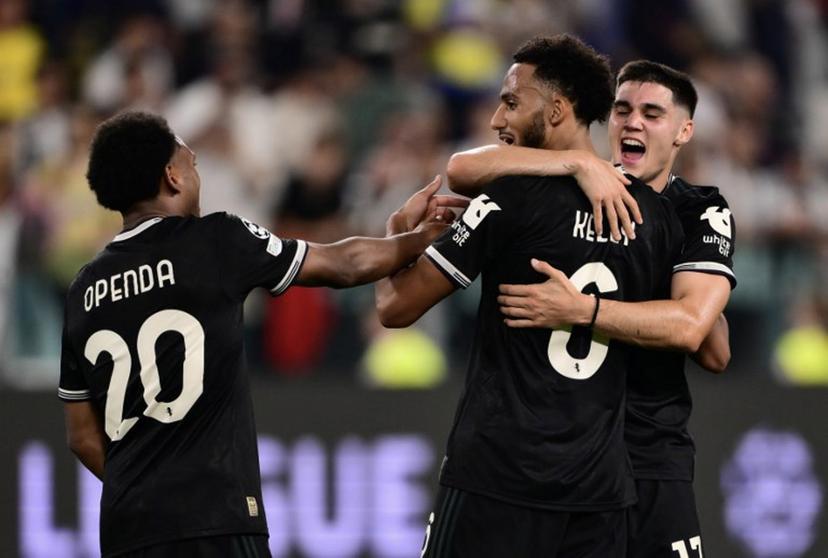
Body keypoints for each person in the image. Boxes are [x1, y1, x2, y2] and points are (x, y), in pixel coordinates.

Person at [58, 110, 464, 558]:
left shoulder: (84, 289)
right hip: (215, 519)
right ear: (172, 176)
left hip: (127, 529)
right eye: (192, 164)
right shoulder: (215, 240)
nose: (197, 173)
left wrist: (142, 490)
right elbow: (344, 264)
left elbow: (81, 436)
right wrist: (420, 237)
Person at [375, 35, 684, 557]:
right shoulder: (651, 218)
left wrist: (397, 233)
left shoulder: (508, 198)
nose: (498, 118)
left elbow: (394, 307)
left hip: (497, 478)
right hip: (600, 491)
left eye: (512, 102)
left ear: (559, 110)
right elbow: (694, 332)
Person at [447, 60, 737, 557]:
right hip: (564, 461)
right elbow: (461, 169)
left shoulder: (697, 211)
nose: (633, 123)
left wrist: (584, 309)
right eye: (622, 110)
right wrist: (575, 164)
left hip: (648, 455)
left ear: (684, 130)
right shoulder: (573, 188)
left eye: (652, 113)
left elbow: (707, 344)